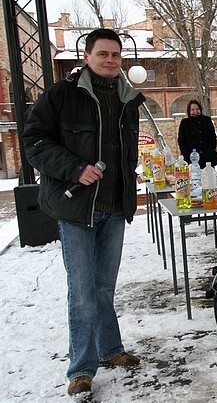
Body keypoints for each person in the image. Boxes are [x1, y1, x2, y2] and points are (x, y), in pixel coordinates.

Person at [22, 28, 146, 396]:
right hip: (76, 208)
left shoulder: (128, 100)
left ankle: (111, 350)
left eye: (115, 55)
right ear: (87, 57)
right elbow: (34, 142)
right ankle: (81, 368)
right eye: (102, 54)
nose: (110, 61)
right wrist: (75, 168)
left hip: (113, 209)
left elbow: (125, 154)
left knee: (104, 288)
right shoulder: (62, 96)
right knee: (82, 292)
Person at [178, 99, 217, 168]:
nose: (195, 111)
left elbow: (212, 138)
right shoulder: (185, 123)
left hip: (207, 159)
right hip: (192, 159)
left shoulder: (207, 120)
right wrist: (187, 156)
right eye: (192, 109)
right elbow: (181, 141)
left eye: (197, 109)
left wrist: (209, 154)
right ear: (189, 111)